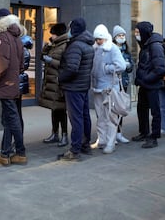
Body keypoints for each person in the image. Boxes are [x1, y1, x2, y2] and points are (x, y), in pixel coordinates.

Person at [0, 8, 26, 166]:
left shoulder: (2, 37)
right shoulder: (16, 36)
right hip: (14, 84)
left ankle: (20, 152)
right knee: (10, 119)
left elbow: (1, 63)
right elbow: (21, 62)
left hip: (5, 85)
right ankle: (5, 153)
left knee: (12, 119)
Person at [57, 17, 94, 161]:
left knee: (76, 118)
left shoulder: (76, 45)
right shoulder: (87, 44)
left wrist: (60, 77)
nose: (68, 30)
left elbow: (72, 68)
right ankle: (85, 145)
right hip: (83, 85)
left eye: (70, 27)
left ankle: (75, 149)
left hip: (74, 87)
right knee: (84, 116)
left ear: (75, 28)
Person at [91, 24, 126, 154]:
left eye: (100, 39)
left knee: (111, 116)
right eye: (96, 39)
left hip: (110, 88)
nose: (98, 41)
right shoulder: (94, 49)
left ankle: (110, 142)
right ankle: (102, 139)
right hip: (97, 87)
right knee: (100, 116)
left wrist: (107, 68)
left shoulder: (112, 49)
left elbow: (121, 66)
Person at [132, 21, 165, 148]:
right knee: (141, 109)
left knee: (155, 111)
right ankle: (144, 132)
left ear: (144, 32)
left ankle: (154, 137)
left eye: (138, 32)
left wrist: (146, 78)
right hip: (144, 84)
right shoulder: (145, 45)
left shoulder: (155, 46)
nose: (136, 35)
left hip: (152, 85)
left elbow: (160, 68)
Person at [39, 23, 69, 146]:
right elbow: (42, 56)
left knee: (61, 111)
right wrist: (48, 45)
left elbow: (65, 64)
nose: (52, 36)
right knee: (54, 109)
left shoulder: (65, 45)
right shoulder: (55, 45)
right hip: (51, 82)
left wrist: (52, 61)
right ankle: (54, 133)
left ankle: (65, 135)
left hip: (59, 82)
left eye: (53, 34)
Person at [112, 25, 135, 143]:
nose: (121, 37)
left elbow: (131, 66)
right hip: (113, 82)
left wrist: (128, 65)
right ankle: (112, 133)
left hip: (124, 82)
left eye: (123, 35)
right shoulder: (111, 49)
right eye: (119, 35)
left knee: (121, 108)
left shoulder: (126, 50)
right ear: (114, 37)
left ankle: (119, 133)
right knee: (113, 109)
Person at [17, 34, 33, 132]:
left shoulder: (23, 51)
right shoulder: (24, 50)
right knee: (17, 112)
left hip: (17, 81)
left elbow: (21, 67)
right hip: (19, 81)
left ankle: (18, 139)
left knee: (17, 113)